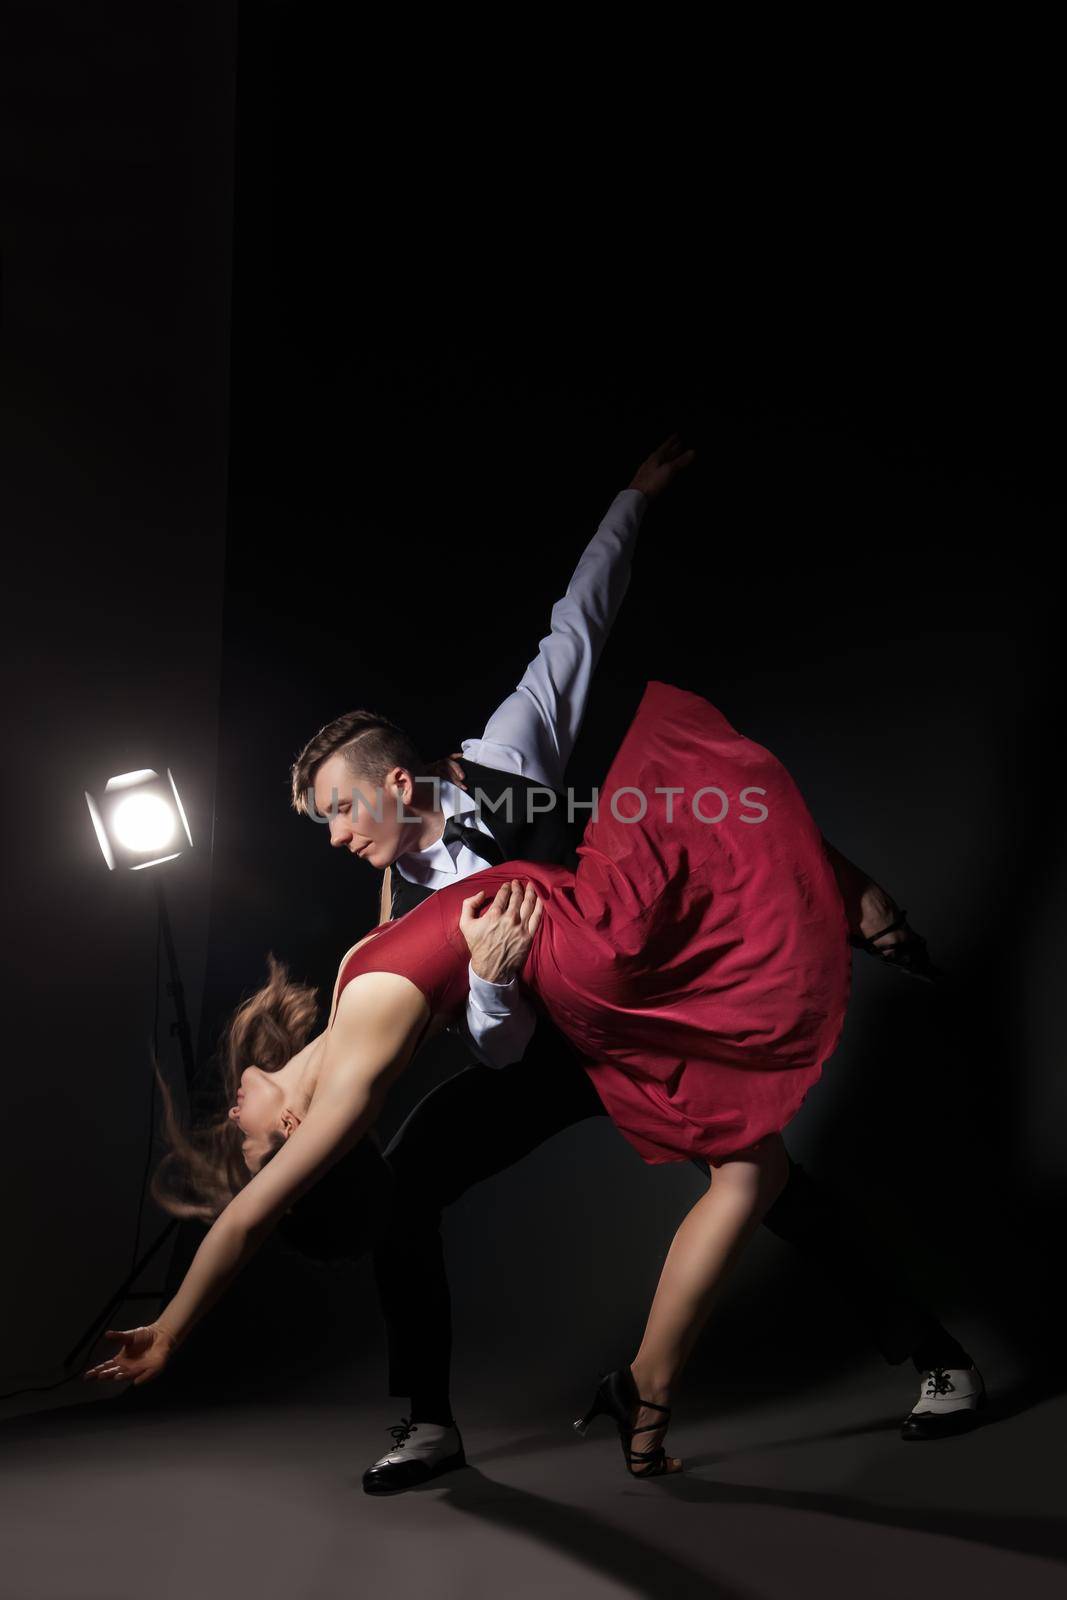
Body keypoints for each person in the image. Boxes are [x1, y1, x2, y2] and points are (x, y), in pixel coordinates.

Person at [84, 678, 984, 1477]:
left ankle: (925, 1356)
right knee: (418, 1184)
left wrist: (633, 500)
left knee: (768, 1177)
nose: (233, 1108)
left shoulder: (471, 797)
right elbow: (258, 1209)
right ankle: (432, 1424)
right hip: (553, 1023)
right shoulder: (359, 1035)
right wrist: (171, 1328)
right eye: (245, 1133)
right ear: (291, 1135)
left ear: (397, 783)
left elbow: (573, 638)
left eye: (340, 810)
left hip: (614, 994)